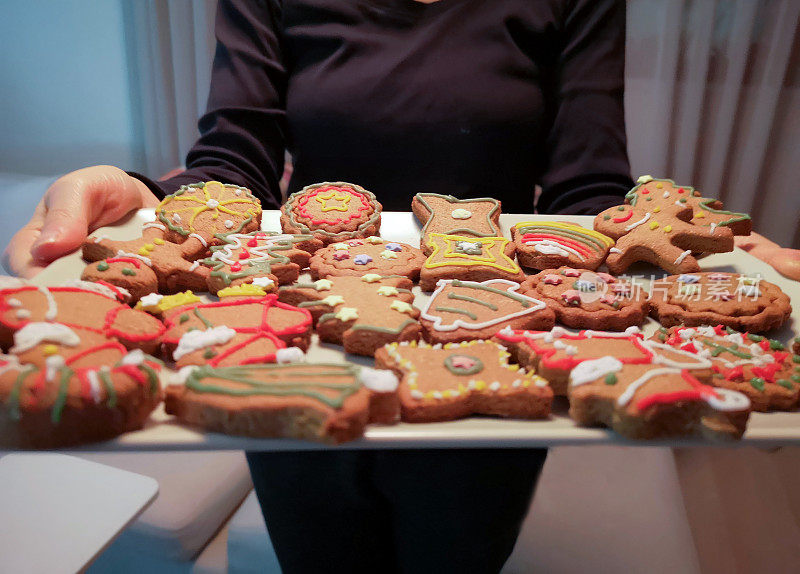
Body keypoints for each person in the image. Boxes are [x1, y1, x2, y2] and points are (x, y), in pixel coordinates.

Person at [3, 1, 798, 573]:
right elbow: (234, 161)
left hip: (492, 334)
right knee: (318, 552)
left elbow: (587, 184)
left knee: (459, 549)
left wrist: (664, 242)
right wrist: (145, 193)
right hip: (295, 333)